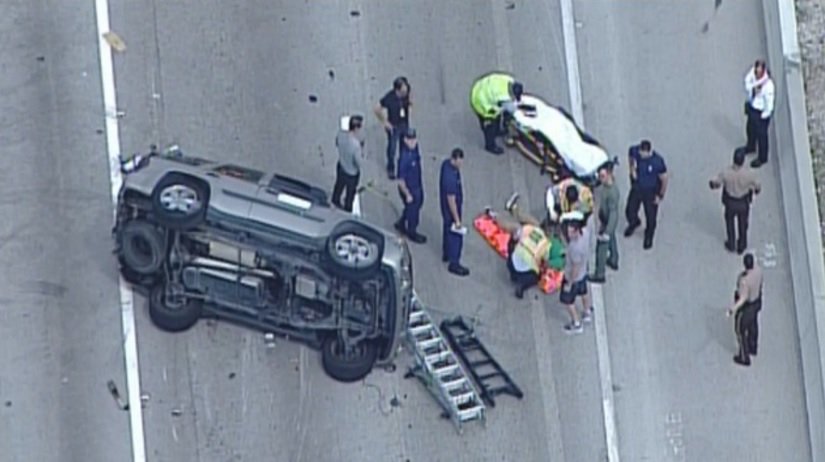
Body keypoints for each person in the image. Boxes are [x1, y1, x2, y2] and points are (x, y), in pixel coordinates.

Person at [488, 193, 553, 299]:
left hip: (512, 264)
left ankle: (494, 215)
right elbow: (545, 263)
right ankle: (522, 286)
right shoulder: (547, 245)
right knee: (537, 275)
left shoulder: (529, 230)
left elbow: (510, 229)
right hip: (523, 273)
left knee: (515, 235)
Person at [709, 148, 762, 254]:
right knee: (743, 224)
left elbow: (716, 183)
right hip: (743, 202)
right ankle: (742, 245)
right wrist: (756, 191)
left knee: (729, 222)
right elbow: (757, 186)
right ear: (743, 161)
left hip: (730, 202)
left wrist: (712, 183)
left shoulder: (726, 173)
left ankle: (731, 243)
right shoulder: (749, 174)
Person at [624, 140, 669, 250]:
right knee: (630, 210)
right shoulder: (635, 151)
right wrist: (632, 170)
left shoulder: (657, 161)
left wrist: (660, 195)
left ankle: (649, 236)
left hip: (651, 191)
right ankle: (634, 222)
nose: (640, 155)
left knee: (651, 217)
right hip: (638, 187)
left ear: (648, 152)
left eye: (642, 153)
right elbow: (631, 156)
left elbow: (664, 179)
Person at [470, 72, 524, 155]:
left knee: (497, 115)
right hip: (481, 103)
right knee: (489, 125)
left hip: (480, 87)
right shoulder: (504, 98)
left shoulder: (509, 79)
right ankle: (490, 146)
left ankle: (497, 131)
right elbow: (511, 110)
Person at [558, 211, 592, 335]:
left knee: (568, 301)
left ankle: (576, 323)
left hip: (574, 278)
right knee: (584, 292)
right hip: (583, 273)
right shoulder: (586, 234)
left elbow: (575, 267)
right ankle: (587, 311)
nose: (568, 233)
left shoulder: (574, 247)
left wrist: (569, 283)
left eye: (571, 231)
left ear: (577, 230)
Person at [727, 253, 764, 366]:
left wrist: (732, 309)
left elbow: (742, 298)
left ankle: (744, 356)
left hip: (747, 307)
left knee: (740, 330)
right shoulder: (759, 271)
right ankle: (753, 346)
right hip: (757, 301)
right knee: (753, 325)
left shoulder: (744, 281)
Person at [439, 148, 470, 276]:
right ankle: (454, 263)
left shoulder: (446, 165)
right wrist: (457, 219)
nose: (461, 165)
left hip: (445, 208)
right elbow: (451, 199)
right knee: (455, 235)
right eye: (460, 162)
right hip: (451, 209)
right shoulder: (450, 177)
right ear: (455, 159)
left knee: (447, 229)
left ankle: (446, 253)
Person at [374, 77, 411, 179]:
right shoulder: (389, 98)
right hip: (393, 126)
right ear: (397, 90)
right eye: (404, 90)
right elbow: (377, 108)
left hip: (404, 124)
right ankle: (391, 167)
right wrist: (385, 122)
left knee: (404, 147)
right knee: (392, 149)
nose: (406, 92)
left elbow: (410, 99)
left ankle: (403, 167)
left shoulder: (406, 93)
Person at [395, 128, 426, 244]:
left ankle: (401, 223)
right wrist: (407, 194)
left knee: (415, 206)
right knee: (413, 212)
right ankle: (411, 232)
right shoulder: (404, 158)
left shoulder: (415, 150)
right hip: (409, 189)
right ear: (405, 140)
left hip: (417, 185)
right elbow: (400, 180)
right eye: (410, 139)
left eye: (414, 139)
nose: (413, 142)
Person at [590, 162, 620, 283]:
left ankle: (599, 274)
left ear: (609, 175)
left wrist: (606, 231)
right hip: (606, 219)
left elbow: (613, 213)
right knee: (612, 240)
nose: (600, 179)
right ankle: (613, 260)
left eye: (602, 176)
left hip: (608, 222)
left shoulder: (612, 193)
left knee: (601, 249)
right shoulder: (608, 187)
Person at [743, 60, 775, 168]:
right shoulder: (752, 74)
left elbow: (769, 104)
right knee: (750, 129)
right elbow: (747, 81)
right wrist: (752, 88)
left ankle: (762, 158)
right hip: (753, 107)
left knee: (762, 136)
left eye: (759, 72)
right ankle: (751, 146)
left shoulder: (768, 86)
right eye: (756, 71)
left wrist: (764, 116)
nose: (757, 74)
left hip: (761, 113)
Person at [331, 115, 364, 212]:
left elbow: (337, 143)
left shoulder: (341, 134)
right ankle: (347, 209)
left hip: (341, 166)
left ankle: (335, 200)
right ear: (356, 128)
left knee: (339, 185)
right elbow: (358, 162)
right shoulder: (356, 145)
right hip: (351, 174)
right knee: (350, 194)